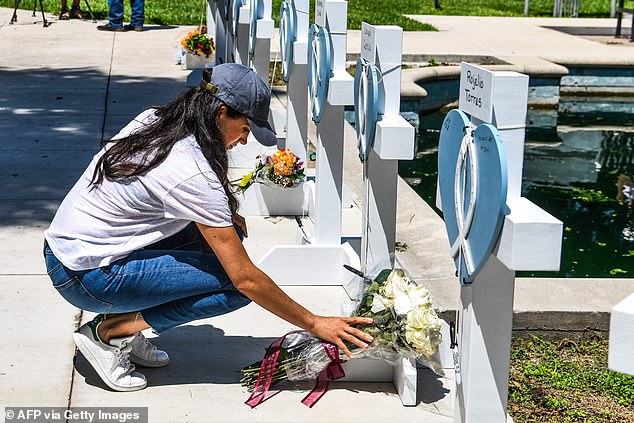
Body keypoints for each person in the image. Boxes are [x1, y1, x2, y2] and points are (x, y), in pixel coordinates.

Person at [43, 63, 373, 392]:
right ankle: (111, 332)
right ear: (222, 113)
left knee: (228, 237)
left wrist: (225, 214)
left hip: (67, 251)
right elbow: (246, 279)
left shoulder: (157, 119)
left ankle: (126, 323)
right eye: (245, 129)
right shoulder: (192, 173)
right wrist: (316, 323)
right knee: (234, 286)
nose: (244, 141)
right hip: (87, 276)